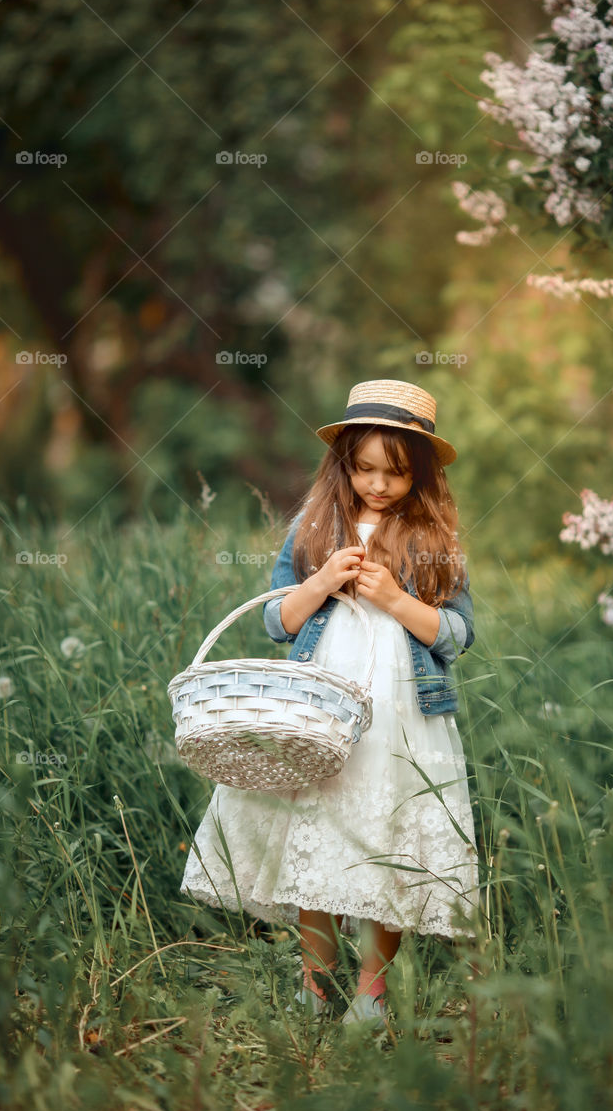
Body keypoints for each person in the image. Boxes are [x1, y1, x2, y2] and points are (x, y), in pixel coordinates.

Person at [179, 379, 481, 1025]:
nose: (377, 485)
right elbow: (277, 623)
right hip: (319, 704)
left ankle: (370, 990)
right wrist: (320, 580)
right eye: (365, 469)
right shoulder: (314, 525)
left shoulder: (432, 536)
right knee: (309, 831)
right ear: (343, 463)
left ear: (419, 475)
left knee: (387, 835)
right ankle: (316, 981)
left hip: (399, 711)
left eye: (394, 474)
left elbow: (456, 635)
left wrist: (396, 601)